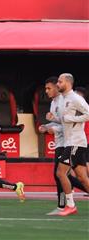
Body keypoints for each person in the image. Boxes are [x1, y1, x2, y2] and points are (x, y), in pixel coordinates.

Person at [39, 76, 86, 215]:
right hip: (65, 142)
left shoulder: (70, 99)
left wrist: (55, 127)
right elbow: (61, 121)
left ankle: (67, 205)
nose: (46, 91)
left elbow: (68, 121)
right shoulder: (56, 102)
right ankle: (64, 205)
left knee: (60, 173)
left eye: (49, 88)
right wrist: (48, 125)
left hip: (71, 142)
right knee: (80, 177)